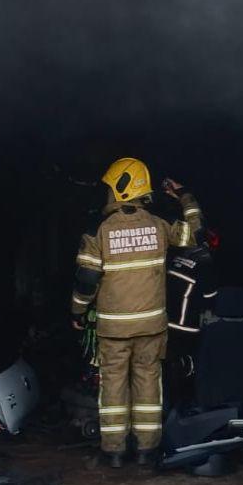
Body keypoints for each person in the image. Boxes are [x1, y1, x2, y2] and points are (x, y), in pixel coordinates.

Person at [70, 158, 203, 467]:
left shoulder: (98, 231)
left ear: (120, 189)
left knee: (113, 386)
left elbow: (86, 280)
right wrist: (185, 196)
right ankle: (146, 450)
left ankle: (114, 452)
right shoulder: (160, 225)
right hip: (151, 326)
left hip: (113, 329)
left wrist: (78, 313)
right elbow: (196, 231)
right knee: (148, 384)